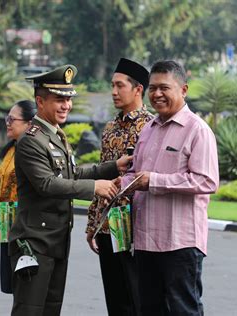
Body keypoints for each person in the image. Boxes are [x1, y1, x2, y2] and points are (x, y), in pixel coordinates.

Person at [8, 64, 132, 316]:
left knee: (50, 310)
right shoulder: (31, 141)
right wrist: (95, 188)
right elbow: (47, 184)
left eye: (68, 99)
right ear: (40, 101)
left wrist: (112, 167)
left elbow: (71, 174)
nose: (66, 105)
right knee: (29, 311)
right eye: (59, 99)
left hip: (55, 242)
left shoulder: (55, 135)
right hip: (34, 242)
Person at [122, 60, 219, 315]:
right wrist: (109, 187)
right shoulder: (148, 130)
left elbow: (207, 181)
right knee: (150, 310)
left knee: (183, 310)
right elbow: (135, 175)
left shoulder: (197, 130)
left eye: (164, 88)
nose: (157, 94)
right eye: (152, 88)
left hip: (181, 243)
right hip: (145, 241)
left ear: (184, 89)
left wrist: (155, 181)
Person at [86, 58, 154, 315]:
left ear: (138, 89)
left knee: (137, 298)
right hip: (107, 226)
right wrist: (93, 224)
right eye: (112, 86)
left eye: (120, 86)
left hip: (136, 226)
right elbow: (102, 175)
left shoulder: (150, 126)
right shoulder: (110, 128)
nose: (114, 91)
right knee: (115, 299)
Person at [0, 100, 37, 294]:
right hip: (6, 226)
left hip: (25, 228)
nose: (7, 122)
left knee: (27, 287)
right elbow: (3, 190)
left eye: (12, 119)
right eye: (7, 118)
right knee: (12, 286)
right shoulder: (10, 150)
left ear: (29, 123)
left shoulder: (34, 151)